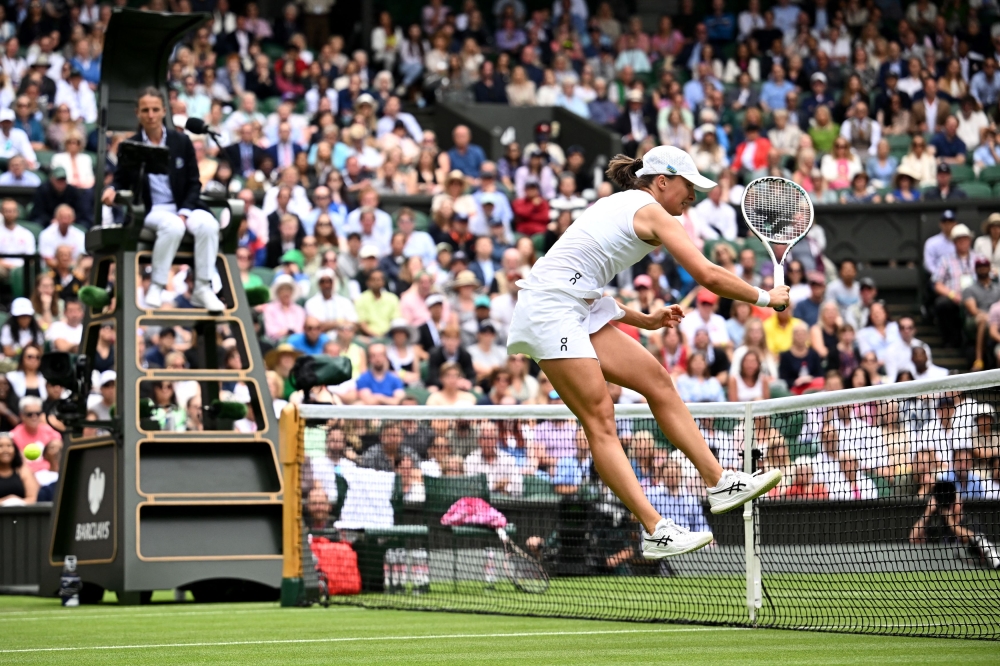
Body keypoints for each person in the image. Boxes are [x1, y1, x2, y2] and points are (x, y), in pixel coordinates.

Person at [506, 146, 788, 560]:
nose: (691, 197)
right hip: (551, 310)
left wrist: (646, 320)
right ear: (662, 181)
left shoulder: (622, 206)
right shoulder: (648, 209)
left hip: (576, 306)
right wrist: (767, 297)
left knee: (658, 381)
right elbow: (707, 274)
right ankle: (655, 529)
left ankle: (719, 481)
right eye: (688, 187)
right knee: (600, 417)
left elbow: (585, 280)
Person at [102, 88, 224, 311]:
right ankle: (157, 285)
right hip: (151, 210)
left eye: (155, 109)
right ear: (137, 113)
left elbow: (194, 183)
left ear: (163, 112)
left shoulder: (181, 141)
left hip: (184, 206)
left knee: (208, 224)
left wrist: (185, 211)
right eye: (145, 110)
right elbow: (120, 180)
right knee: (173, 225)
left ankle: (203, 287)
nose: (151, 115)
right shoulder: (130, 145)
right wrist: (111, 190)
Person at [0, 433, 38, 506]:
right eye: (0, 446)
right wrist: (7, 502)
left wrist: (17, 502)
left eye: (9, 446)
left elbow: (33, 498)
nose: (5, 450)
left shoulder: (23, 471)